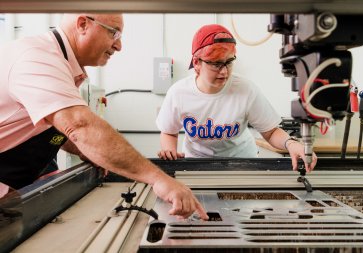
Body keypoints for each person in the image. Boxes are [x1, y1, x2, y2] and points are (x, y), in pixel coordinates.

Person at [0, 13, 208, 220]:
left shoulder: (60, 63)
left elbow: (57, 129)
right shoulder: (38, 58)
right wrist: (159, 179)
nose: (119, 46)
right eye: (114, 33)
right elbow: (80, 126)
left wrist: (86, 150)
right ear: (83, 24)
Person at [156, 24, 317, 172]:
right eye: (216, 64)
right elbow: (169, 132)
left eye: (229, 62)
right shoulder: (178, 93)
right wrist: (170, 152)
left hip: (242, 164)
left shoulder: (245, 89)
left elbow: (271, 132)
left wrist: (291, 144)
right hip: (197, 166)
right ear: (197, 63)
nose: (224, 71)